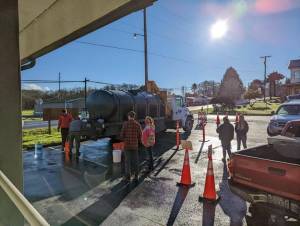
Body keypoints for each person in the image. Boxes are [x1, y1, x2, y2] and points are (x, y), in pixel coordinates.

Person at [120, 111, 142, 183]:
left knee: (127, 162)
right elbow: (140, 135)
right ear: (134, 116)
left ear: (129, 116)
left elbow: (122, 135)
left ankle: (128, 177)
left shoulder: (125, 124)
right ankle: (136, 176)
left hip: (127, 146)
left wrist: (125, 139)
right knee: (135, 161)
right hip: (135, 146)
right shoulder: (137, 124)